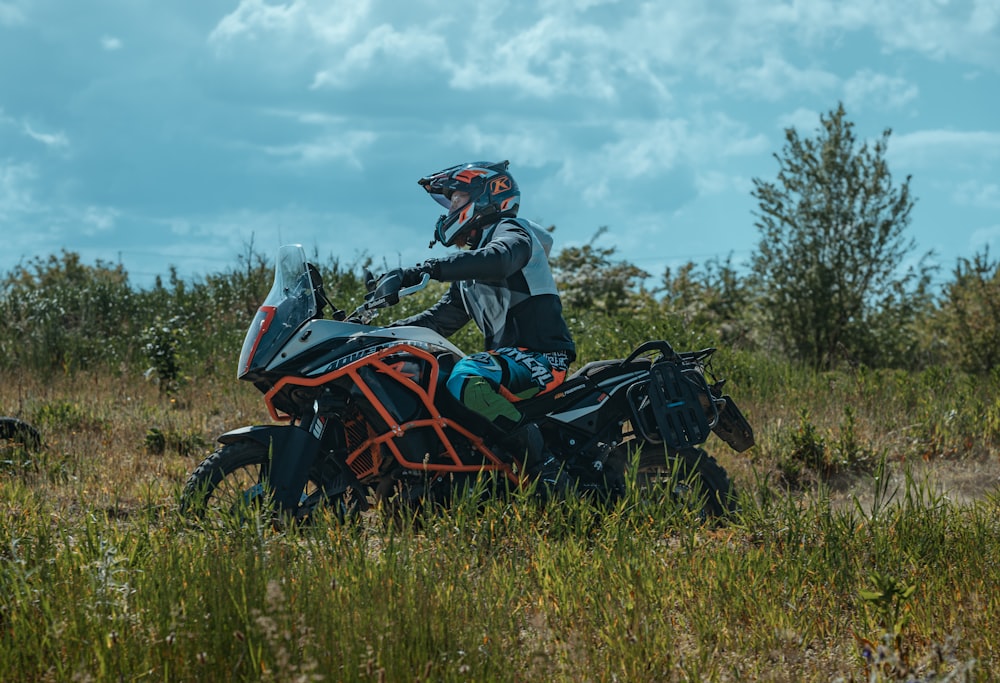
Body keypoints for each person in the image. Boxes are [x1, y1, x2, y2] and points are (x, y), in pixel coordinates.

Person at [370, 160, 576, 493]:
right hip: (510, 363)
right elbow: (438, 321)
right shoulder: (473, 273)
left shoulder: (513, 233)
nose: (450, 209)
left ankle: (546, 471)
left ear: (485, 196)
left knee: (467, 376)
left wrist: (423, 269)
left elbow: (500, 258)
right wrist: (377, 338)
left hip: (542, 359)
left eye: (456, 199)